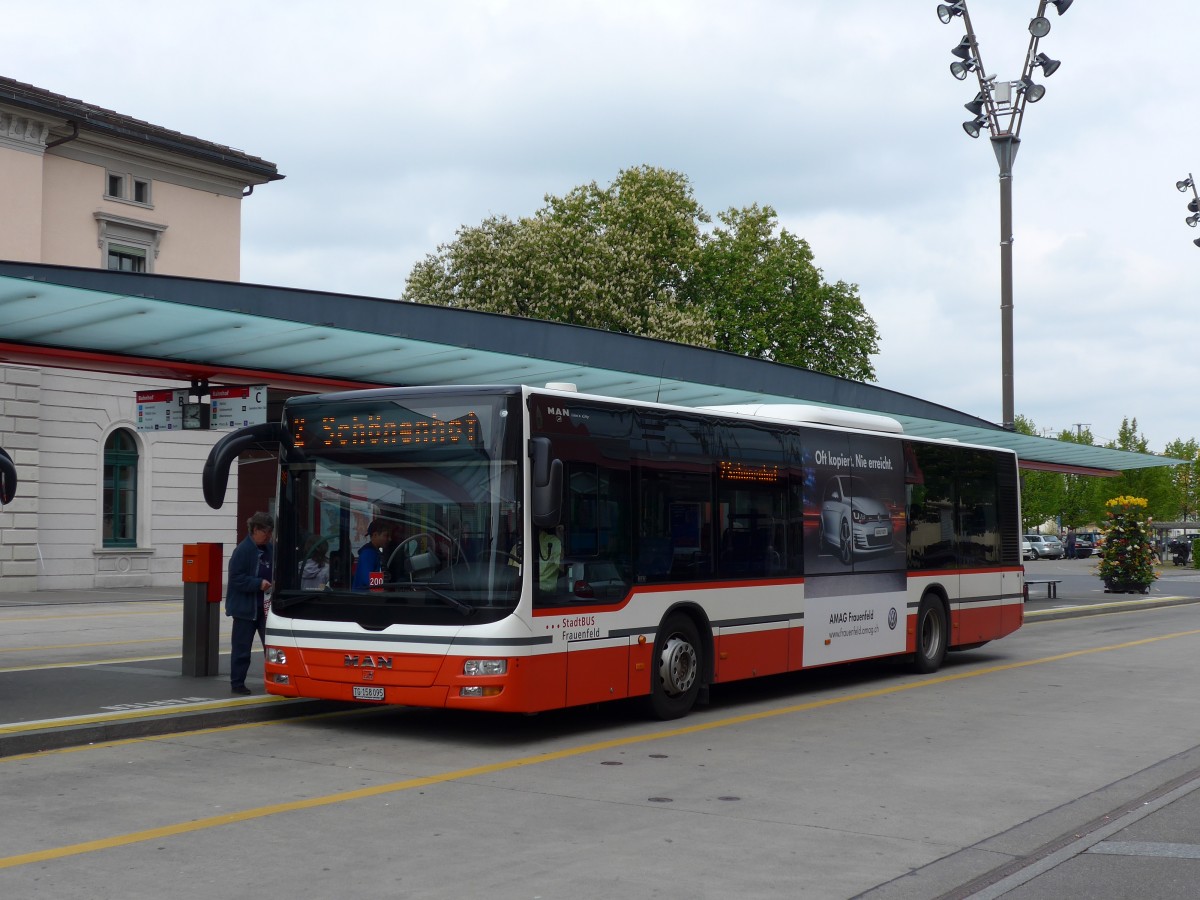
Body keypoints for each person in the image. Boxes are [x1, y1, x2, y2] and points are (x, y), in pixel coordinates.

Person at [225, 511, 273, 696]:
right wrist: (257, 583)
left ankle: (274, 679)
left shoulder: (269, 550)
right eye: (265, 532)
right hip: (245, 609)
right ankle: (237, 683)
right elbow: (236, 579)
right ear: (255, 530)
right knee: (242, 649)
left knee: (271, 647)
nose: (268, 536)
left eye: (270, 532)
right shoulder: (242, 551)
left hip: (265, 608)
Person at [352, 519, 390, 590]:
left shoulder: (376, 552)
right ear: (375, 535)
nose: (389, 539)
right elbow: (369, 581)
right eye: (386, 535)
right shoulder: (368, 554)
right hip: (365, 598)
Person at [538, 525, 564, 593]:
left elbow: (564, 567)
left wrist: (562, 541)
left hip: (545, 594)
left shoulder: (553, 542)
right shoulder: (516, 547)